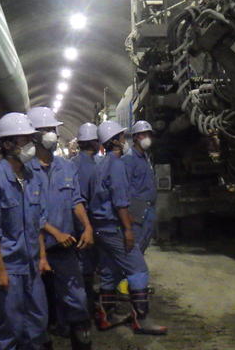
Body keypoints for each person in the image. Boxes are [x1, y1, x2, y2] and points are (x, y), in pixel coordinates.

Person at [0, 112, 50, 350]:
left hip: (30, 267)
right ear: (8, 144)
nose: (31, 145)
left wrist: (42, 257)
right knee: (9, 330)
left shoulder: (31, 176)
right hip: (8, 267)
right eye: (25, 140)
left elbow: (37, 223)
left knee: (37, 326)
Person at [89, 121, 166, 335]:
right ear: (114, 141)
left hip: (101, 227)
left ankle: (106, 315)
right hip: (113, 227)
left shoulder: (102, 163)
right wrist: (129, 230)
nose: (125, 141)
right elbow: (120, 201)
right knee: (138, 269)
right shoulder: (118, 165)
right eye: (122, 137)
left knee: (109, 269)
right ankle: (141, 319)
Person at [27, 107, 94, 350]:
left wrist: (87, 227)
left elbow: (76, 201)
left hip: (65, 248)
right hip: (35, 251)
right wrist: (54, 232)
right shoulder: (25, 171)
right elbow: (29, 213)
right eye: (47, 131)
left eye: (53, 130)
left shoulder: (66, 167)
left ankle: (82, 343)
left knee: (78, 301)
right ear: (33, 136)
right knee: (37, 307)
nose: (53, 135)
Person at [71, 123, 100, 315]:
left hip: (72, 220)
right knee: (87, 263)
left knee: (78, 262)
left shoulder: (71, 164)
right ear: (94, 142)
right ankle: (86, 304)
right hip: (88, 219)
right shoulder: (95, 167)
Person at [122, 121, 157, 254]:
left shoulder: (145, 157)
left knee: (143, 245)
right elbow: (125, 189)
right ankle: (133, 273)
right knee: (134, 248)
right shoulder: (129, 159)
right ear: (136, 137)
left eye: (149, 134)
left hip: (149, 209)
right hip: (137, 212)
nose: (147, 138)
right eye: (143, 134)